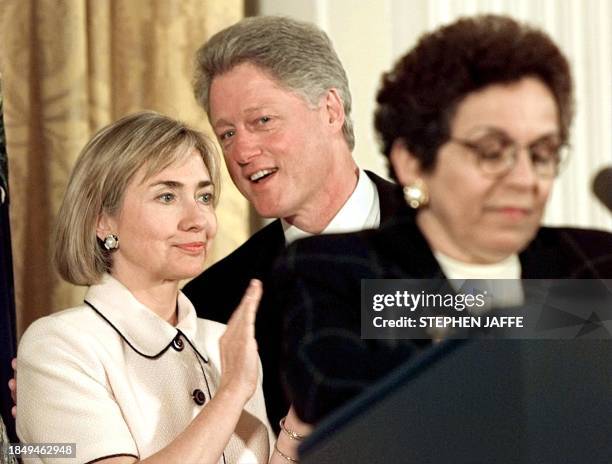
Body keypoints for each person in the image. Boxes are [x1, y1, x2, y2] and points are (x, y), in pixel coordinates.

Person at [274, 14, 612, 424]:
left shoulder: (594, 264)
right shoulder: (336, 271)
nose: (525, 179)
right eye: (492, 151)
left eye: (542, 154)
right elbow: (338, 394)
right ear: (413, 161)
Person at [183, 15, 404, 432]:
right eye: (226, 134)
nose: (243, 151)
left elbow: (554, 339)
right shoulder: (213, 302)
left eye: (262, 121)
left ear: (331, 111)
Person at [16, 112, 275, 463]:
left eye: (204, 196)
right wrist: (230, 393)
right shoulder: (59, 347)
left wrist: (297, 433)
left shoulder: (223, 341)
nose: (198, 220)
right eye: (167, 197)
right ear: (102, 221)